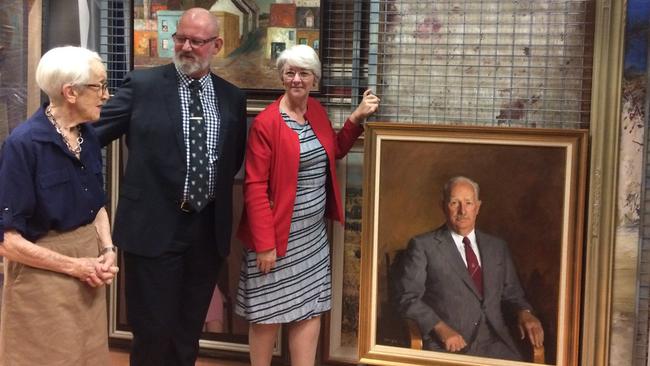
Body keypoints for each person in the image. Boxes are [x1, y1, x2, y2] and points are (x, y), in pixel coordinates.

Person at [92, 8, 247, 366]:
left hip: (206, 232)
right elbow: (91, 133)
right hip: (152, 228)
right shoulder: (142, 86)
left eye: (197, 41)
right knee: (153, 334)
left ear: (217, 45)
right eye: (181, 38)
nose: (186, 47)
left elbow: (231, 159)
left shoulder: (232, 98)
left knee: (188, 333)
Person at [236, 44, 380, 366]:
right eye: (290, 73)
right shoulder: (266, 123)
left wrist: (356, 118)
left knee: (308, 310)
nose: (297, 80)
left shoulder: (315, 111)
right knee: (267, 315)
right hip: (276, 239)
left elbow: (334, 151)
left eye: (304, 73)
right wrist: (264, 245)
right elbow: (255, 187)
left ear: (315, 79)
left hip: (312, 239)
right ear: (282, 77)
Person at [0, 46, 117, 365]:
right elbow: (7, 243)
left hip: (88, 274)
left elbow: (97, 207)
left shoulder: (87, 135)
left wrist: (107, 250)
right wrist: (74, 266)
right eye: (100, 86)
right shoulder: (24, 146)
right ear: (70, 92)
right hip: (43, 279)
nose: (106, 95)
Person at [393, 176, 544, 361]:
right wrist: (440, 328)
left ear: (478, 207)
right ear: (443, 206)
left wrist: (525, 313)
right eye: (454, 202)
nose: (462, 211)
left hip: (496, 345)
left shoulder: (497, 247)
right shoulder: (423, 246)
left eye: (468, 203)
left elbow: (513, 295)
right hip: (447, 346)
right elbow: (407, 298)